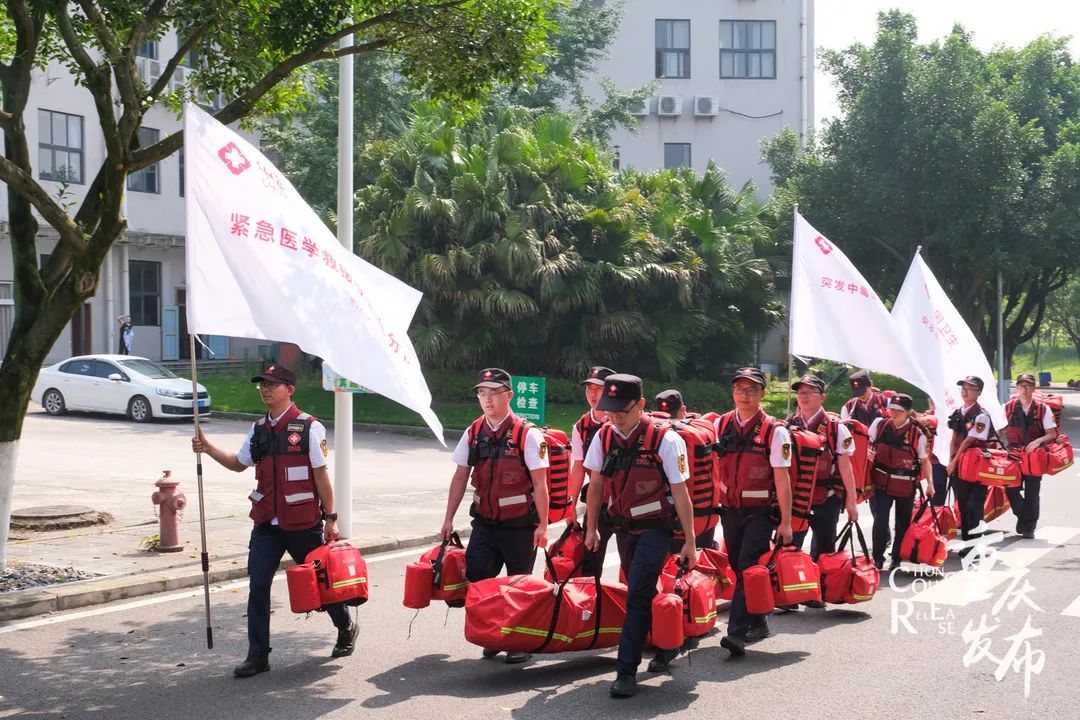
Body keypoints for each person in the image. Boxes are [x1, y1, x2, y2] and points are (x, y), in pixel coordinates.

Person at [191, 364, 356, 678]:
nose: (265, 390)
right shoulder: (258, 429)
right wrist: (209, 448)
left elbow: (321, 476)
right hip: (266, 524)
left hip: (303, 523)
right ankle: (258, 656)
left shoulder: (310, 427)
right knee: (258, 586)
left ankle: (345, 626)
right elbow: (239, 464)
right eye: (262, 385)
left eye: (272, 384)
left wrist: (331, 519)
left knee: (321, 585)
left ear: (289, 389)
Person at [583, 374, 696, 697]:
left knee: (636, 595)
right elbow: (596, 486)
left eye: (623, 410)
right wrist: (591, 528)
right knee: (641, 591)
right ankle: (667, 641)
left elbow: (681, 491)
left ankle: (625, 672)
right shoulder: (604, 437)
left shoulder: (666, 440)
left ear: (641, 406)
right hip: (623, 527)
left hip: (657, 528)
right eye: (611, 410)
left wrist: (690, 541)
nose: (615, 417)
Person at [441, 367, 549, 664]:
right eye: (482, 394)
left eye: (494, 394)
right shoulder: (474, 432)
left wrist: (543, 524)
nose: (487, 400)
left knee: (518, 583)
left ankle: (520, 642)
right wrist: (448, 518)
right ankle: (494, 633)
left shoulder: (528, 434)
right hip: (486, 524)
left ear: (509, 396)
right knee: (479, 579)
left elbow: (541, 483)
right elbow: (460, 476)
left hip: (520, 526)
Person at [713, 367, 793, 656]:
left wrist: (785, 522)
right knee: (738, 567)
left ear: (762, 394)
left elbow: (782, 479)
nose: (744, 395)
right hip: (731, 511)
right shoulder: (721, 425)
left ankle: (735, 633)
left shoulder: (776, 430)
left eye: (751, 390)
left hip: (761, 512)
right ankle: (759, 620)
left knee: (747, 564)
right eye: (739, 389)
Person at [786, 374, 859, 568]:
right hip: (795, 498)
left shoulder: (836, 429)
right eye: (801, 392)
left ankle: (818, 593)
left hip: (826, 497)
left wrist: (851, 502)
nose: (804, 396)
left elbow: (845, 467)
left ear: (823, 397)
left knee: (824, 550)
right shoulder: (788, 425)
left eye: (810, 392)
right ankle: (791, 592)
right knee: (789, 546)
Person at [867, 393, 934, 570]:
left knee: (902, 523)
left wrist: (930, 485)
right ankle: (877, 557)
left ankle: (896, 557)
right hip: (881, 484)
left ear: (908, 412)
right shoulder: (879, 425)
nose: (894, 413)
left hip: (906, 486)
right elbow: (866, 446)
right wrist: (868, 454)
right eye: (892, 409)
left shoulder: (918, 434)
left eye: (899, 410)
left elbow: (925, 461)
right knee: (880, 521)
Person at [569, 365, 615, 577]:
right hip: (599, 501)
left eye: (599, 388)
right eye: (589, 388)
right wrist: (571, 505)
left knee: (636, 562)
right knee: (590, 560)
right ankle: (590, 607)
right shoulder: (581, 426)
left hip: (629, 500)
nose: (593, 394)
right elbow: (578, 468)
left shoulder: (622, 420)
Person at [1003, 374, 1058, 539]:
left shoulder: (1043, 409)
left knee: (1032, 491)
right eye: (1021, 385)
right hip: (1013, 455)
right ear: (1017, 388)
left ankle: (1029, 528)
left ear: (1034, 388)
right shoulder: (1008, 407)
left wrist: (1037, 441)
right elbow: (999, 429)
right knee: (1010, 488)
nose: (1025, 389)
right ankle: (1023, 516)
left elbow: (1051, 433)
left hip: (1034, 457)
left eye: (1028, 386)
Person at [944, 376, 994, 542]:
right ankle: (967, 540)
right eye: (963, 387)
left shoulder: (981, 416)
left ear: (979, 392)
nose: (965, 391)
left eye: (970, 388)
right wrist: (951, 460)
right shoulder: (958, 412)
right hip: (959, 466)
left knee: (975, 504)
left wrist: (953, 462)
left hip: (977, 465)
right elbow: (955, 438)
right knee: (963, 504)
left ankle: (975, 542)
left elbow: (969, 441)